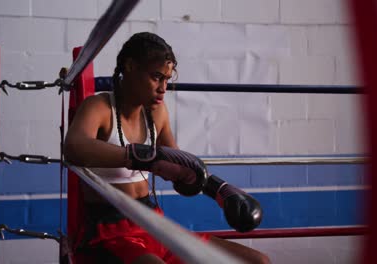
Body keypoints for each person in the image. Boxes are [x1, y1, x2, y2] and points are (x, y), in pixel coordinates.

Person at [64, 32, 270, 264]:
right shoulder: (100, 107)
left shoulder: (156, 113)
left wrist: (219, 190)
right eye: (156, 77)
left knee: (257, 261)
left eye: (167, 79)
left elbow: (180, 170)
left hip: (153, 222)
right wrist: (142, 157)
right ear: (130, 66)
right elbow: (74, 146)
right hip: (110, 230)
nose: (163, 87)